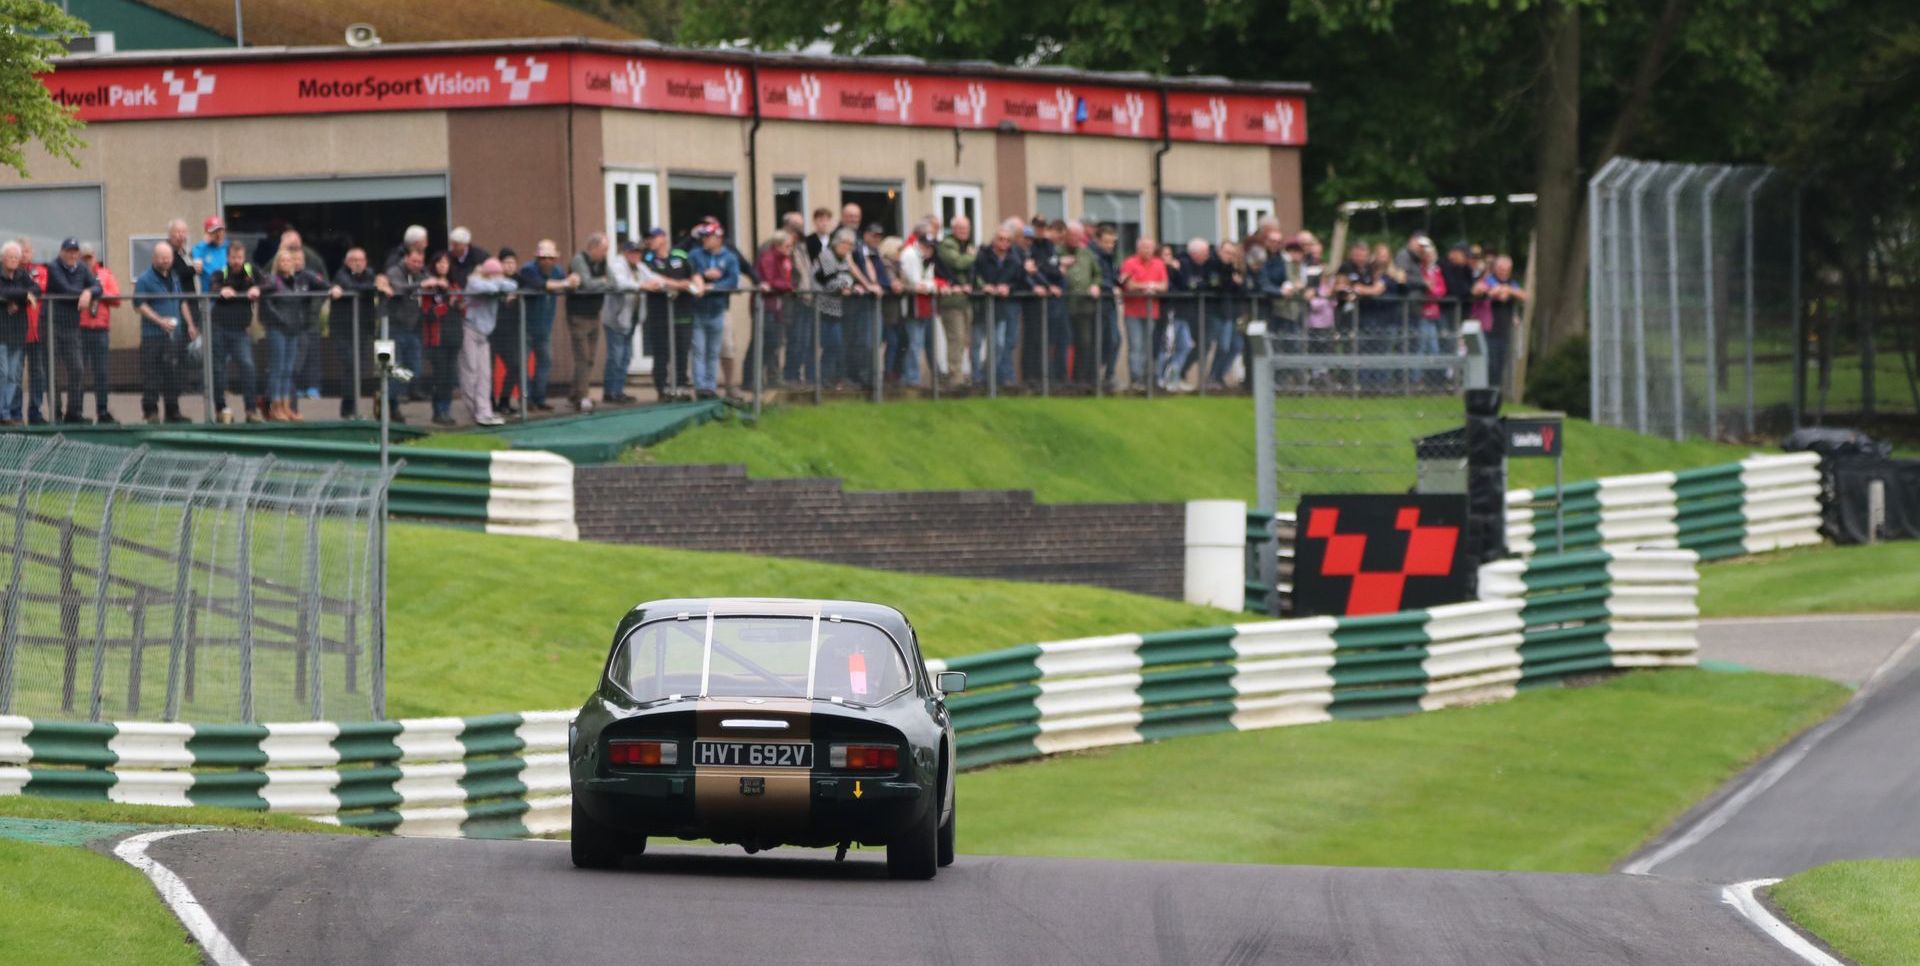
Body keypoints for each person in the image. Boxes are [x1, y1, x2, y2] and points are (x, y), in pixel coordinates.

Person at [258, 248, 327, 422]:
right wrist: (280, 320)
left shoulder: (297, 281)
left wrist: (335, 289)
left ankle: (286, 406)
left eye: (289, 261)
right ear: (277, 263)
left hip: (293, 330)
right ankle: (275, 406)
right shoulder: (273, 280)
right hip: (278, 329)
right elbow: (263, 298)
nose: (286, 263)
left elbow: (323, 284)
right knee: (278, 369)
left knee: (288, 370)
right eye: (283, 260)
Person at [42, 238, 102, 424]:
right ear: (62, 251)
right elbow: (65, 289)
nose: (72, 255)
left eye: (75, 251)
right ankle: (56, 414)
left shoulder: (82, 268)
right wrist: (84, 292)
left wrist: (88, 292)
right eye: (69, 251)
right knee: (52, 371)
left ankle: (74, 413)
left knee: (77, 369)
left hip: (71, 327)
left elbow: (98, 287)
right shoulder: (53, 267)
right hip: (51, 325)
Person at [133, 241, 194, 423]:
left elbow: (182, 301)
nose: (165, 261)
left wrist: (190, 323)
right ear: (154, 258)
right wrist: (160, 321)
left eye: (168, 257)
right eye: (162, 257)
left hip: (173, 336)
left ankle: (172, 411)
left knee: (172, 373)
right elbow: (138, 305)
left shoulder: (175, 278)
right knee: (151, 373)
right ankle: (150, 412)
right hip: (153, 336)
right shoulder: (145, 279)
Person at [512, 240, 571, 412]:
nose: (547, 261)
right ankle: (526, 400)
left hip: (545, 328)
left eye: (550, 258)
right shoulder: (528, 269)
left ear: (555, 259)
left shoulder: (557, 271)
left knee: (545, 362)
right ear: (537, 258)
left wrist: (572, 280)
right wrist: (566, 283)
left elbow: (565, 283)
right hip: (526, 327)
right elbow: (539, 284)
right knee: (522, 365)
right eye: (543, 258)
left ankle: (539, 398)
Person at [208, 239, 262, 423]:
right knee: (219, 369)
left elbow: (271, 283)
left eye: (239, 257)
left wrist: (257, 288)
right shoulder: (220, 273)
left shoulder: (251, 271)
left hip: (240, 330)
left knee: (248, 366)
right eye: (233, 257)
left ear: (244, 257)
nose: (236, 261)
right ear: (228, 257)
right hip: (219, 328)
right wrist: (222, 290)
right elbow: (212, 286)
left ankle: (251, 410)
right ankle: (221, 409)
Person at [640, 227, 699, 397]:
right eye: (648, 238)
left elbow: (694, 274)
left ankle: (681, 385)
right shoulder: (647, 258)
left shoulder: (679, 255)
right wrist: (680, 284)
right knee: (661, 353)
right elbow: (653, 279)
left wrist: (697, 284)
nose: (650, 241)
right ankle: (663, 388)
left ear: (663, 238)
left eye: (653, 237)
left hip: (682, 313)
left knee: (682, 351)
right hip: (659, 314)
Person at [688, 224, 741, 399]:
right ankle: (700, 387)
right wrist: (704, 274)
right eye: (703, 236)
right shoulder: (695, 254)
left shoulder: (730, 257)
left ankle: (710, 387)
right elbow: (689, 273)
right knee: (699, 351)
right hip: (698, 310)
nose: (704, 240)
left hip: (718, 311)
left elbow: (732, 281)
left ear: (718, 238)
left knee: (713, 351)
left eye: (708, 237)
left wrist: (713, 286)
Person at [461, 257, 515, 426]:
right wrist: (496, 285)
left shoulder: (495, 282)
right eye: (496, 274)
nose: (499, 277)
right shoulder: (474, 281)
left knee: (485, 375)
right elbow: (481, 287)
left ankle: (485, 412)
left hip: (485, 335)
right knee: (471, 372)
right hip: (470, 330)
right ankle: (474, 411)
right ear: (488, 273)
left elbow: (512, 285)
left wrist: (497, 283)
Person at [377, 248, 430, 422]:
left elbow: (430, 284)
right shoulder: (394, 271)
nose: (417, 265)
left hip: (411, 329)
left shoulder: (421, 274)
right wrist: (420, 285)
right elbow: (398, 289)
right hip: (389, 328)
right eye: (414, 261)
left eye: (420, 262)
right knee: (389, 368)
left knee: (415, 370)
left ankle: (385, 396)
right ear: (406, 259)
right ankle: (391, 407)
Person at [971, 223, 1026, 387]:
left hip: (1000, 307)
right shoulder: (982, 256)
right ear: (994, 240)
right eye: (1000, 239)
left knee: (999, 344)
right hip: (982, 306)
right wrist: (983, 286)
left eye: (1007, 240)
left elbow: (1020, 281)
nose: (1003, 243)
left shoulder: (1014, 260)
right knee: (977, 343)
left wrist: (1008, 287)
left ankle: (989, 376)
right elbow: (973, 276)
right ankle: (976, 378)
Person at [330, 247, 380, 418]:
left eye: (361, 260)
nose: (358, 263)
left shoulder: (370, 273)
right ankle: (348, 410)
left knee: (358, 370)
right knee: (351, 366)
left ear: (366, 262)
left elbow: (372, 288)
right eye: (354, 260)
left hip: (363, 330)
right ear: (346, 262)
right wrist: (370, 287)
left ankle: (351, 409)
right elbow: (350, 286)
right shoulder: (340, 274)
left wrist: (370, 287)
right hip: (342, 331)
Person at [603, 239, 653, 404]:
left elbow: (653, 278)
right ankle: (610, 392)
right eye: (632, 252)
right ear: (625, 252)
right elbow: (620, 283)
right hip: (616, 318)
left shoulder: (640, 266)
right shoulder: (617, 265)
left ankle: (619, 390)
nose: (636, 255)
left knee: (625, 356)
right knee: (616, 356)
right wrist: (642, 286)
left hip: (632, 316)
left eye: (638, 252)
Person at [565, 234, 611, 411]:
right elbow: (587, 283)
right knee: (582, 357)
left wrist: (602, 282)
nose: (605, 253)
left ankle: (574, 394)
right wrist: (603, 282)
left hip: (594, 314)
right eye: (603, 249)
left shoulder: (603, 262)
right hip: (578, 315)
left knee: (590, 358)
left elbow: (611, 280)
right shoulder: (579, 260)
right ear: (593, 248)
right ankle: (582, 396)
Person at [417, 251, 464, 425]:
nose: (443, 265)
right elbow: (428, 313)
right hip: (436, 339)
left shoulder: (454, 284)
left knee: (450, 377)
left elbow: (463, 307)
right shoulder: (429, 287)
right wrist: (446, 305)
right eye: (439, 262)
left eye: (446, 262)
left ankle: (447, 410)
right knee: (441, 376)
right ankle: (438, 412)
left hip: (454, 336)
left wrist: (456, 302)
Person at [75, 243, 119, 423]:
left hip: (100, 329)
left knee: (101, 372)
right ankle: (76, 411)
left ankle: (102, 410)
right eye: (83, 258)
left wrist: (99, 293)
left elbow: (117, 299)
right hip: (81, 329)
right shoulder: (75, 276)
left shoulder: (105, 274)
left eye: (89, 257)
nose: (87, 261)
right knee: (79, 371)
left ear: (95, 257)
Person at [1118, 236, 1167, 391]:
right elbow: (1129, 285)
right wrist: (1148, 285)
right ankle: (1136, 380)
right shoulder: (1129, 263)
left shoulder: (1159, 264)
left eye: (1150, 247)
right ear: (1138, 248)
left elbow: (1164, 285)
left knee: (1147, 346)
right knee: (1136, 346)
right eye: (1144, 247)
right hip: (1133, 311)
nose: (1147, 250)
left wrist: (1151, 286)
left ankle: (1147, 380)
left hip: (1151, 311)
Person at [934, 216, 977, 388]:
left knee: (965, 340)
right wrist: (970, 256)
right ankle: (955, 378)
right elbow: (958, 263)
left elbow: (972, 270)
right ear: (952, 229)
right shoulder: (947, 245)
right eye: (960, 229)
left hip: (965, 301)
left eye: (966, 228)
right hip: (951, 302)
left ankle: (962, 374)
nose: (964, 232)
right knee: (956, 339)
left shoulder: (966, 246)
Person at [812, 228, 858, 387]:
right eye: (845, 243)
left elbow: (848, 278)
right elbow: (828, 282)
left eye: (850, 245)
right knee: (830, 344)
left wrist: (846, 285)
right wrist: (843, 286)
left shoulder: (844, 259)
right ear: (837, 242)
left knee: (836, 345)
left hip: (836, 309)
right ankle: (821, 379)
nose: (848, 248)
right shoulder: (826, 256)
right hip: (821, 308)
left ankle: (829, 378)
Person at [1474, 255, 1527, 390]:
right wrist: (1496, 291)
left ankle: (1495, 392)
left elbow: (1524, 295)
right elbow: (1479, 290)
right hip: (1488, 329)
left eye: (1506, 269)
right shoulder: (1488, 280)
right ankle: (1486, 390)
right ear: (1495, 268)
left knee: (1499, 363)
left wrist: (1508, 290)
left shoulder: (1511, 283)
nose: (1503, 271)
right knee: (1490, 362)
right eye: (1500, 268)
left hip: (1504, 330)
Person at [0, 242, 39, 425]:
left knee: (15, 375)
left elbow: (36, 290)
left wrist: (18, 300)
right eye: (10, 257)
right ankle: (2, 412)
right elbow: (2, 292)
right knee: (3, 372)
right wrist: (24, 297)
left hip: (17, 333)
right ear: (2, 258)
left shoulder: (22, 275)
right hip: (1, 333)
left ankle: (9, 412)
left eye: (16, 257)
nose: (14, 260)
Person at [752, 227, 795, 388]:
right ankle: (754, 379)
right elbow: (770, 281)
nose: (790, 250)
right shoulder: (768, 258)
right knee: (766, 343)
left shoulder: (784, 259)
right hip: (766, 306)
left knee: (775, 343)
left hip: (777, 307)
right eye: (787, 246)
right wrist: (788, 286)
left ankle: (772, 377)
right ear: (777, 245)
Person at [894, 233, 936, 388]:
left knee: (916, 343)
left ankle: (910, 377)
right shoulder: (910, 254)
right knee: (914, 343)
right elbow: (913, 281)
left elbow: (930, 281)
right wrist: (924, 286)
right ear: (920, 244)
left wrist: (927, 286)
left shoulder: (927, 258)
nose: (928, 249)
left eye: (930, 247)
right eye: (926, 245)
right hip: (911, 306)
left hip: (924, 305)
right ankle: (911, 378)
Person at [491, 247, 525, 415]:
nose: (510, 266)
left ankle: (505, 400)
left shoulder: (520, 280)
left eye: (513, 262)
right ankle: (490, 404)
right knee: (487, 370)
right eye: (506, 262)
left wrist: (517, 295)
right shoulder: (493, 280)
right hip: (491, 331)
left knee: (515, 365)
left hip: (510, 332)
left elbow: (533, 285)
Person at [190, 217, 229, 290]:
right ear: (208, 233)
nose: (219, 234)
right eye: (215, 232)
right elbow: (194, 254)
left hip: (226, 295)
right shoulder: (201, 248)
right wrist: (204, 242)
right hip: (208, 296)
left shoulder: (228, 247)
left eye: (220, 231)